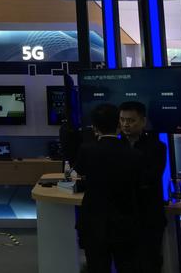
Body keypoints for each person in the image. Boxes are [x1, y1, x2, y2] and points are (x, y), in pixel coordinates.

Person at [75, 104, 142, 273]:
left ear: (94, 127)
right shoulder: (134, 154)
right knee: (127, 266)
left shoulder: (87, 150)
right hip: (125, 223)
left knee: (97, 266)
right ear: (118, 124)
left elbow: (80, 171)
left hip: (93, 222)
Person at [120, 101, 168, 273]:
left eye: (131, 120)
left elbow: (151, 177)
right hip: (122, 218)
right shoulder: (115, 147)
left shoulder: (157, 147)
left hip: (148, 216)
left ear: (143, 121)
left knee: (149, 262)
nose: (126, 124)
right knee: (125, 264)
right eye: (122, 120)